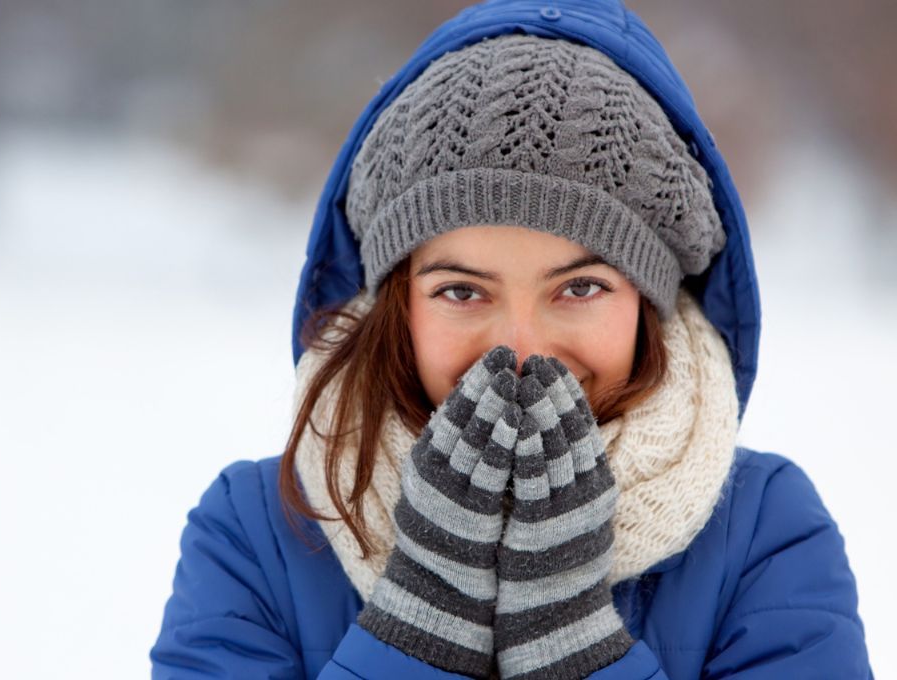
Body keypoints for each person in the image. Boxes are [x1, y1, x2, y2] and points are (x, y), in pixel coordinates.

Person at [151, 1, 873, 677]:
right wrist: (420, 628)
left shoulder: (763, 532)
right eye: (462, 292)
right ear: (397, 307)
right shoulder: (256, 533)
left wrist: (575, 648)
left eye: (580, 288)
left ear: (648, 303)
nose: (523, 351)